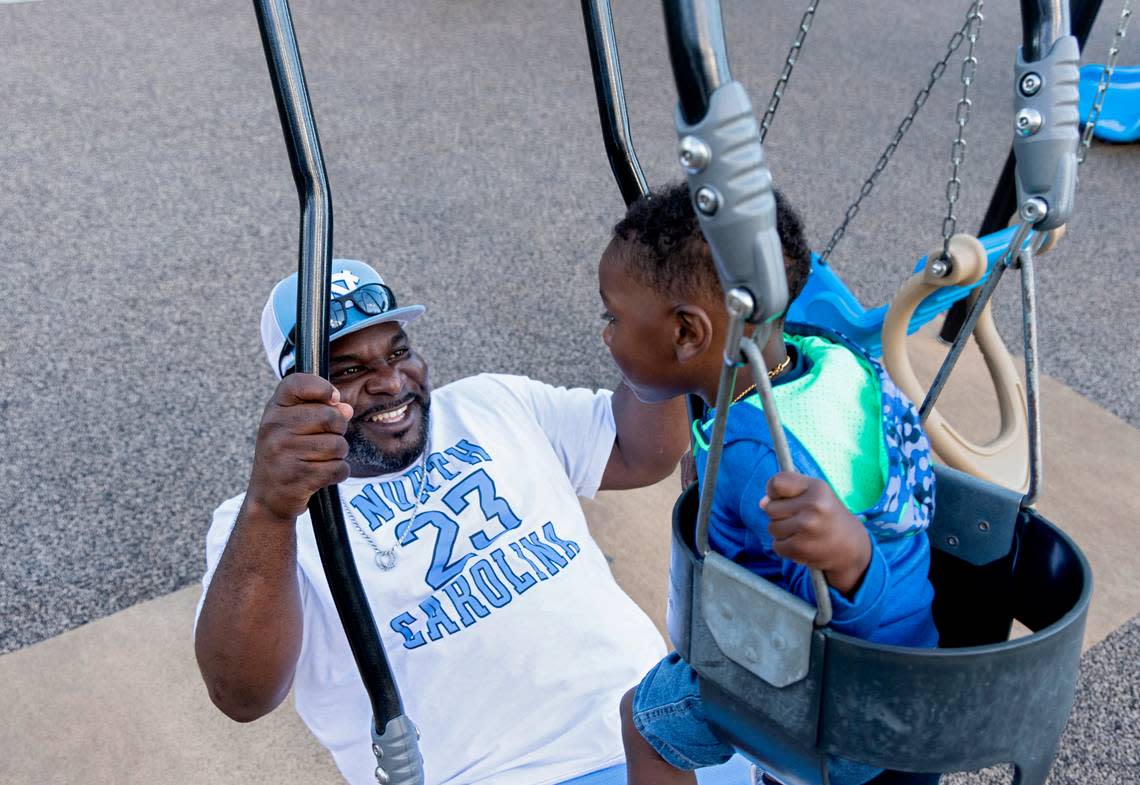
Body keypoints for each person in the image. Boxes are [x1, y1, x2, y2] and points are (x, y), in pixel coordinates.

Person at [193, 258, 697, 785]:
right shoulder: (271, 519)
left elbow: (641, 452)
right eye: (349, 371)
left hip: (663, 728)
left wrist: (663, 335)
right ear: (298, 393)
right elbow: (242, 694)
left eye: (399, 351)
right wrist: (269, 509)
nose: (390, 381)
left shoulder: (492, 403)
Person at [598, 184, 940, 785]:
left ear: (687, 334)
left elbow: (837, 618)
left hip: (841, 712)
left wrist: (851, 556)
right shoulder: (826, 359)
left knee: (645, 720)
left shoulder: (756, 458)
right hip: (920, 677)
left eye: (613, 317)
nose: (606, 335)